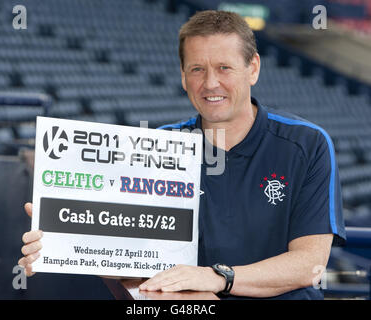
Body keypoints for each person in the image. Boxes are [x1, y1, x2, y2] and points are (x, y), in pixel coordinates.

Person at [18, 10, 346, 300]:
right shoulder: (158, 147)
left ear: (253, 69)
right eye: (197, 69)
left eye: (224, 68)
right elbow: (128, 265)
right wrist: (61, 245)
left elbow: (309, 265)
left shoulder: (307, 143)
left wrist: (217, 277)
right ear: (182, 76)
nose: (210, 83)